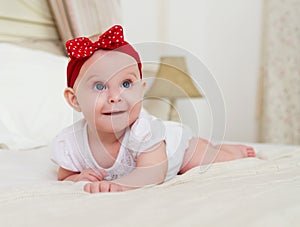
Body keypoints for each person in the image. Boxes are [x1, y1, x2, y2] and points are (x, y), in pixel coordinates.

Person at [52, 25, 256, 193]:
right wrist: (78, 177)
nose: (115, 97)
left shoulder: (143, 131)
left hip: (178, 150)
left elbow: (153, 172)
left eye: (125, 84)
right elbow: (64, 174)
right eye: (99, 86)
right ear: (74, 100)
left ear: (141, 90)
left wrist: (120, 186)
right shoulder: (72, 141)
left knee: (205, 159)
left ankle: (231, 150)